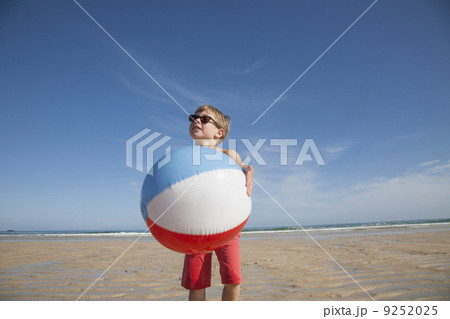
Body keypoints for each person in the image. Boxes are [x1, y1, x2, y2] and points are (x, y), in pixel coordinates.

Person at [182, 105, 254, 301]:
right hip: (197, 227)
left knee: (233, 278)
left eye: (204, 119)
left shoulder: (227, 155)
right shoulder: (185, 159)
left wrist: (248, 170)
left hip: (227, 224)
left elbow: (242, 168)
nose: (196, 121)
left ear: (218, 133)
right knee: (196, 282)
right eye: (193, 118)